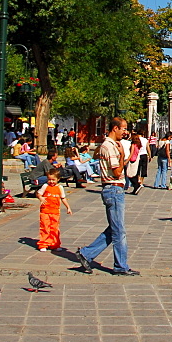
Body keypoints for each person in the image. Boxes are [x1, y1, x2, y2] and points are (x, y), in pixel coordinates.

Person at [76, 117, 139, 276]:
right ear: (115, 128)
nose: (125, 132)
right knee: (119, 231)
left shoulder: (111, 145)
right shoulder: (109, 147)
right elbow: (117, 171)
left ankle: (86, 253)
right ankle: (120, 265)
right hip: (113, 188)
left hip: (114, 188)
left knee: (114, 228)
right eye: (123, 129)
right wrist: (124, 153)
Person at [37, 169, 72, 251]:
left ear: (58, 179)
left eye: (53, 180)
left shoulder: (60, 188)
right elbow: (39, 193)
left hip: (55, 211)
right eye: (49, 179)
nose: (51, 181)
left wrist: (68, 207)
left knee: (55, 228)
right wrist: (41, 198)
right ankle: (43, 244)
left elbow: (63, 198)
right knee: (45, 227)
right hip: (45, 211)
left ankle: (54, 244)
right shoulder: (45, 186)